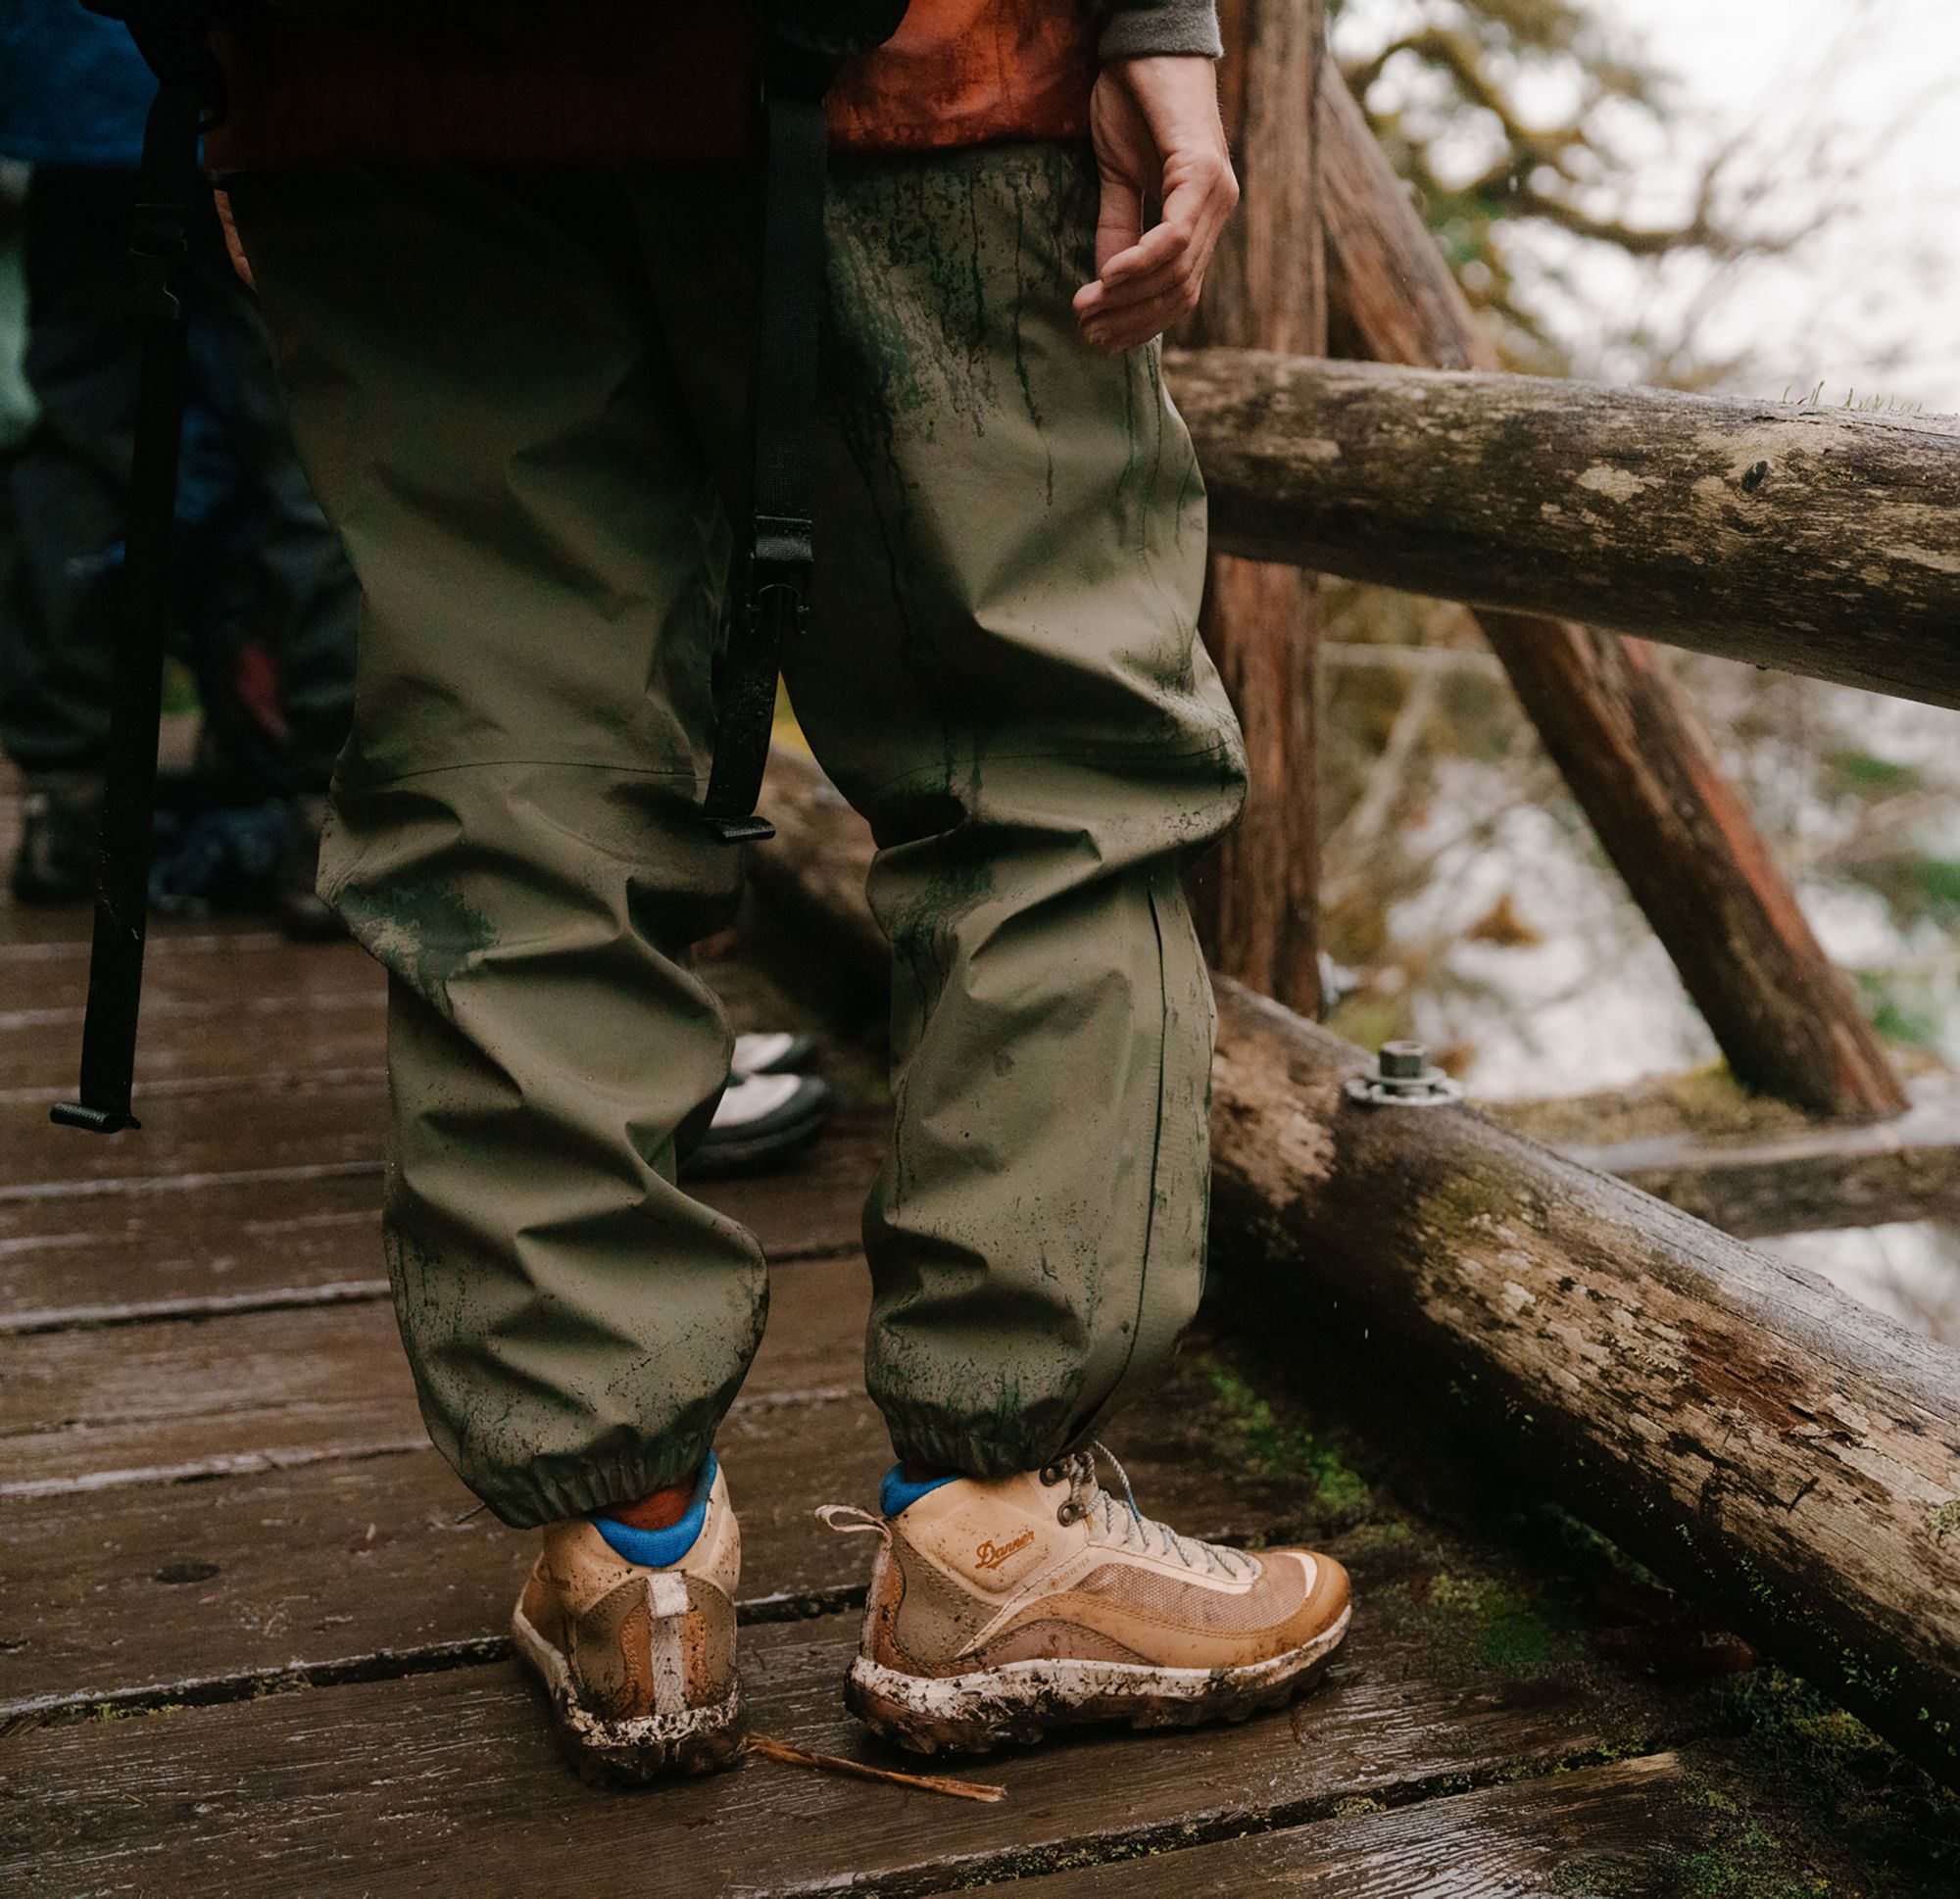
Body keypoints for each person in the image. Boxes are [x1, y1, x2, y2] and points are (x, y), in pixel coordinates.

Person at [194, 0, 1351, 1778]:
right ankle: (996, 1532)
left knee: (509, 766)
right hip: (905, 51)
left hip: (377, 63)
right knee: (1042, 745)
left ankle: (628, 1563)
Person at [0, 0, 357, 933]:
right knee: (299, 426)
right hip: (270, 76)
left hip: (76, 66)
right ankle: (323, 801)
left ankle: (69, 794)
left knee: (88, 426)